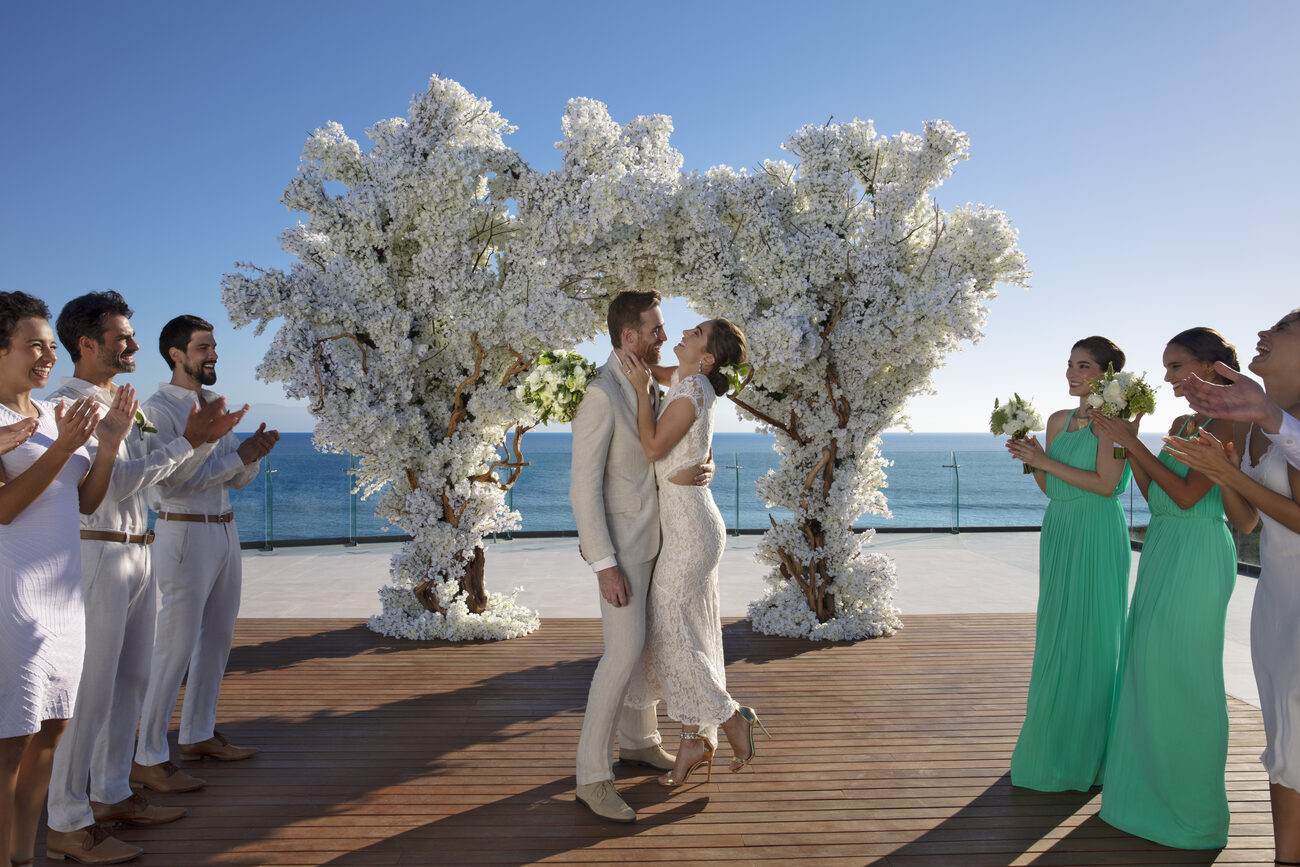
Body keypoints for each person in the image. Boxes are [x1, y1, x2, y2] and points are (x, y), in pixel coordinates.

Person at [44, 293, 246, 864]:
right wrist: (192, 442)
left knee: (128, 682)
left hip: (137, 551)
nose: (134, 345)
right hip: (97, 553)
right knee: (88, 694)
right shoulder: (68, 405)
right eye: (123, 337)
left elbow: (147, 473)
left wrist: (201, 441)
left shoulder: (120, 402)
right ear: (87, 343)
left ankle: (112, 795)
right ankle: (66, 821)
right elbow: (110, 487)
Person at [1090, 328, 1239, 848]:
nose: (1169, 378)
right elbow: (1158, 498)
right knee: (1147, 664)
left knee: (1185, 674)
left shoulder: (1234, 425)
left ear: (1212, 364)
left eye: (1176, 366)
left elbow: (1190, 498)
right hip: (1163, 546)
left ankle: (1192, 813)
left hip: (1198, 553)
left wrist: (1134, 443)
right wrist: (1128, 450)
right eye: (1167, 367)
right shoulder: (1183, 422)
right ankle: (1141, 800)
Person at [569, 290, 714, 824]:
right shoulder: (601, 395)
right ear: (628, 336)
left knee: (646, 646)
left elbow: (683, 437)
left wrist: (706, 466)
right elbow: (583, 490)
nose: (663, 336)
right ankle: (591, 776)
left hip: (662, 539)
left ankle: (637, 740)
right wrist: (603, 564)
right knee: (622, 652)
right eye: (655, 329)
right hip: (622, 553)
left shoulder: (652, 380)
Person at [0, 292, 133, 867]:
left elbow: (84, 502)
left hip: (62, 605)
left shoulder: (57, 417)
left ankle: (23, 856)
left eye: (51, 346)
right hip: (13, 602)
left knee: (48, 744)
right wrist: (62, 447)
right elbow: (5, 509)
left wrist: (105, 446)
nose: (47, 357)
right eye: (34, 345)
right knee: (8, 750)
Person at [1164, 309, 1300, 865]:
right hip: (1275, 602)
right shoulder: (1266, 428)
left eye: (1282, 329)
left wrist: (1228, 474)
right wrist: (1222, 470)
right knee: (1284, 744)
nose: (1261, 335)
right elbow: (1246, 521)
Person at [620, 318, 770, 790]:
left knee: (670, 629)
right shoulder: (690, 381)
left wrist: (642, 393)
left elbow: (651, 447)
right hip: (690, 524)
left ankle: (731, 717)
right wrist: (645, 368)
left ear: (706, 358)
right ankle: (691, 738)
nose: (685, 330)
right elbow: (664, 374)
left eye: (697, 332)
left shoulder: (690, 392)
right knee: (688, 633)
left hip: (690, 532)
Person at [133, 316, 278, 783]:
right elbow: (172, 484)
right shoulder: (157, 412)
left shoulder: (215, 403)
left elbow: (233, 478)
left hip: (223, 530)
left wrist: (251, 454)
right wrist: (233, 455)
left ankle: (198, 733)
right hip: (182, 532)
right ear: (176, 354)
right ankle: (148, 756)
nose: (212, 355)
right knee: (173, 647)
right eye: (203, 347)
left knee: (217, 638)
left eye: (213, 347)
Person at [1005, 335, 1131, 792]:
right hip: (1059, 530)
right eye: (1071, 364)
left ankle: (1088, 752)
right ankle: (1052, 742)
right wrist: (1031, 458)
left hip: (1097, 533)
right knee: (1057, 632)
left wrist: (1043, 460)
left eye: (1085, 366)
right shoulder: (1058, 422)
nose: (1073, 374)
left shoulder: (1116, 422)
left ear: (1107, 374)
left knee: (1092, 635)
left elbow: (1105, 485)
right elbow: (1052, 490)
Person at [1183, 361, 1300, 469]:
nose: (1261, 336)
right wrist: (1220, 470)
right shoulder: (1247, 422)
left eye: (1176, 366)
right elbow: (1236, 489)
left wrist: (1224, 471)